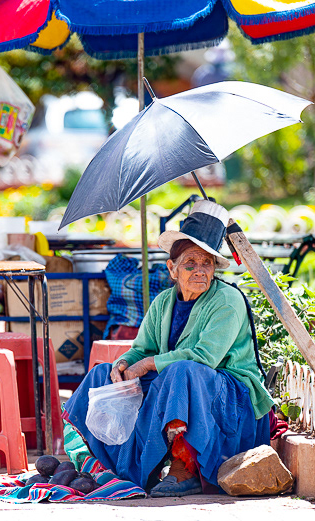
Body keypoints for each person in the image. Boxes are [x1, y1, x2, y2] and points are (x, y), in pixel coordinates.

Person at [63, 200, 275, 497]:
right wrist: (123, 364)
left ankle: (184, 467)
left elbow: (205, 359)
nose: (200, 271)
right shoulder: (164, 301)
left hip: (229, 400)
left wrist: (148, 364)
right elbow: (142, 348)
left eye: (207, 263)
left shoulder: (227, 300)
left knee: (183, 372)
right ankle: (104, 466)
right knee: (102, 375)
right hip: (182, 384)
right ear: (172, 269)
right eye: (190, 263)